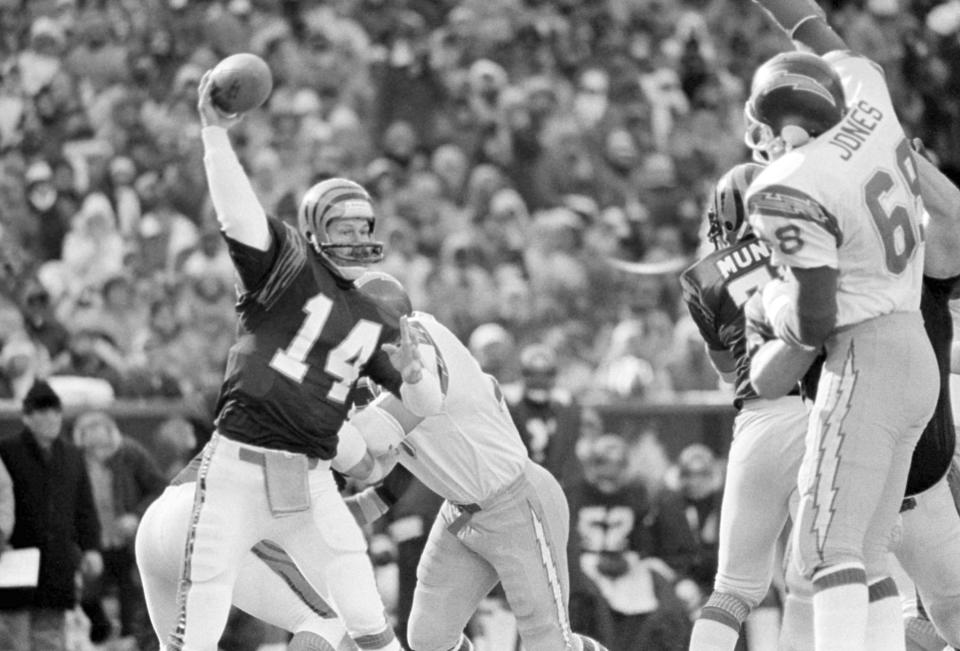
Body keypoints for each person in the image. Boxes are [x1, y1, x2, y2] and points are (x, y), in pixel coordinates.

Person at [166, 71, 406, 651]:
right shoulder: (290, 268)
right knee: (200, 620)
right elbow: (239, 216)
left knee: (364, 605)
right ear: (315, 231)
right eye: (342, 227)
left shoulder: (374, 317)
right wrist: (215, 136)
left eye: (363, 228)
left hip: (312, 477)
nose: (355, 238)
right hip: (239, 468)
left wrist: (424, 385)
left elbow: (409, 402)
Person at [742, 2, 939, 648]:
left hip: (863, 356)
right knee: (866, 552)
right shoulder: (870, 103)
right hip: (916, 346)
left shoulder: (789, 183)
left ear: (783, 127)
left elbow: (815, 317)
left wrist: (772, 303)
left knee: (825, 545)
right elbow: (819, 35)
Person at [748, 141, 960, 651]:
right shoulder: (785, 285)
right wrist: (804, 331)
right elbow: (766, 380)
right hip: (848, 485)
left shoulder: (908, 262)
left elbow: (953, 218)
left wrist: (892, 147)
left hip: (923, 483)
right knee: (835, 608)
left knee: (948, 609)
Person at [353, 271, 608, 651]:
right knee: (428, 638)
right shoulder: (368, 373)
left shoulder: (421, 345)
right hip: (461, 509)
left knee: (547, 643)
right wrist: (355, 507)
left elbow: (380, 428)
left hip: (517, 503)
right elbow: (383, 464)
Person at [679, 162, 812, 651]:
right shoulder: (815, 248)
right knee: (821, 576)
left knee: (733, 590)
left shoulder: (702, 278)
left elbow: (727, 373)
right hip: (824, 411)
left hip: (760, 418)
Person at [565, 433, 697, 651]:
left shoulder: (637, 493)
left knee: (662, 605)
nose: (609, 472)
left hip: (626, 564)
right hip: (584, 562)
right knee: (587, 601)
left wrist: (631, 559)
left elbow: (643, 541)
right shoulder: (574, 492)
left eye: (616, 465)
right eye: (602, 464)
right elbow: (567, 542)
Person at [0, 381, 103, 651]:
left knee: (51, 640)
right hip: (14, 561)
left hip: (56, 565)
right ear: (27, 417)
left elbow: (84, 508)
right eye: (42, 412)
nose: (51, 418)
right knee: (14, 641)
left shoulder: (71, 456)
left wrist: (92, 547)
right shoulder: (7, 451)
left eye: (56, 411)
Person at [72, 410, 166, 647]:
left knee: (131, 595)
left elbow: (160, 488)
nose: (99, 453)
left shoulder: (131, 453)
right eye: (92, 448)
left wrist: (135, 516)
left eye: (104, 446)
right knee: (87, 595)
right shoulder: (74, 461)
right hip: (93, 541)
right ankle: (104, 634)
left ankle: (129, 638)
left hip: (126, 541)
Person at [505, 343, 584, 487]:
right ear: (521, 373)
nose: (539, 381)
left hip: (555, 479)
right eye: (531, 374)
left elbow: (568, 447)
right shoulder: (508, 400)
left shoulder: (564, 403)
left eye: (546, 374)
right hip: (515, 481)